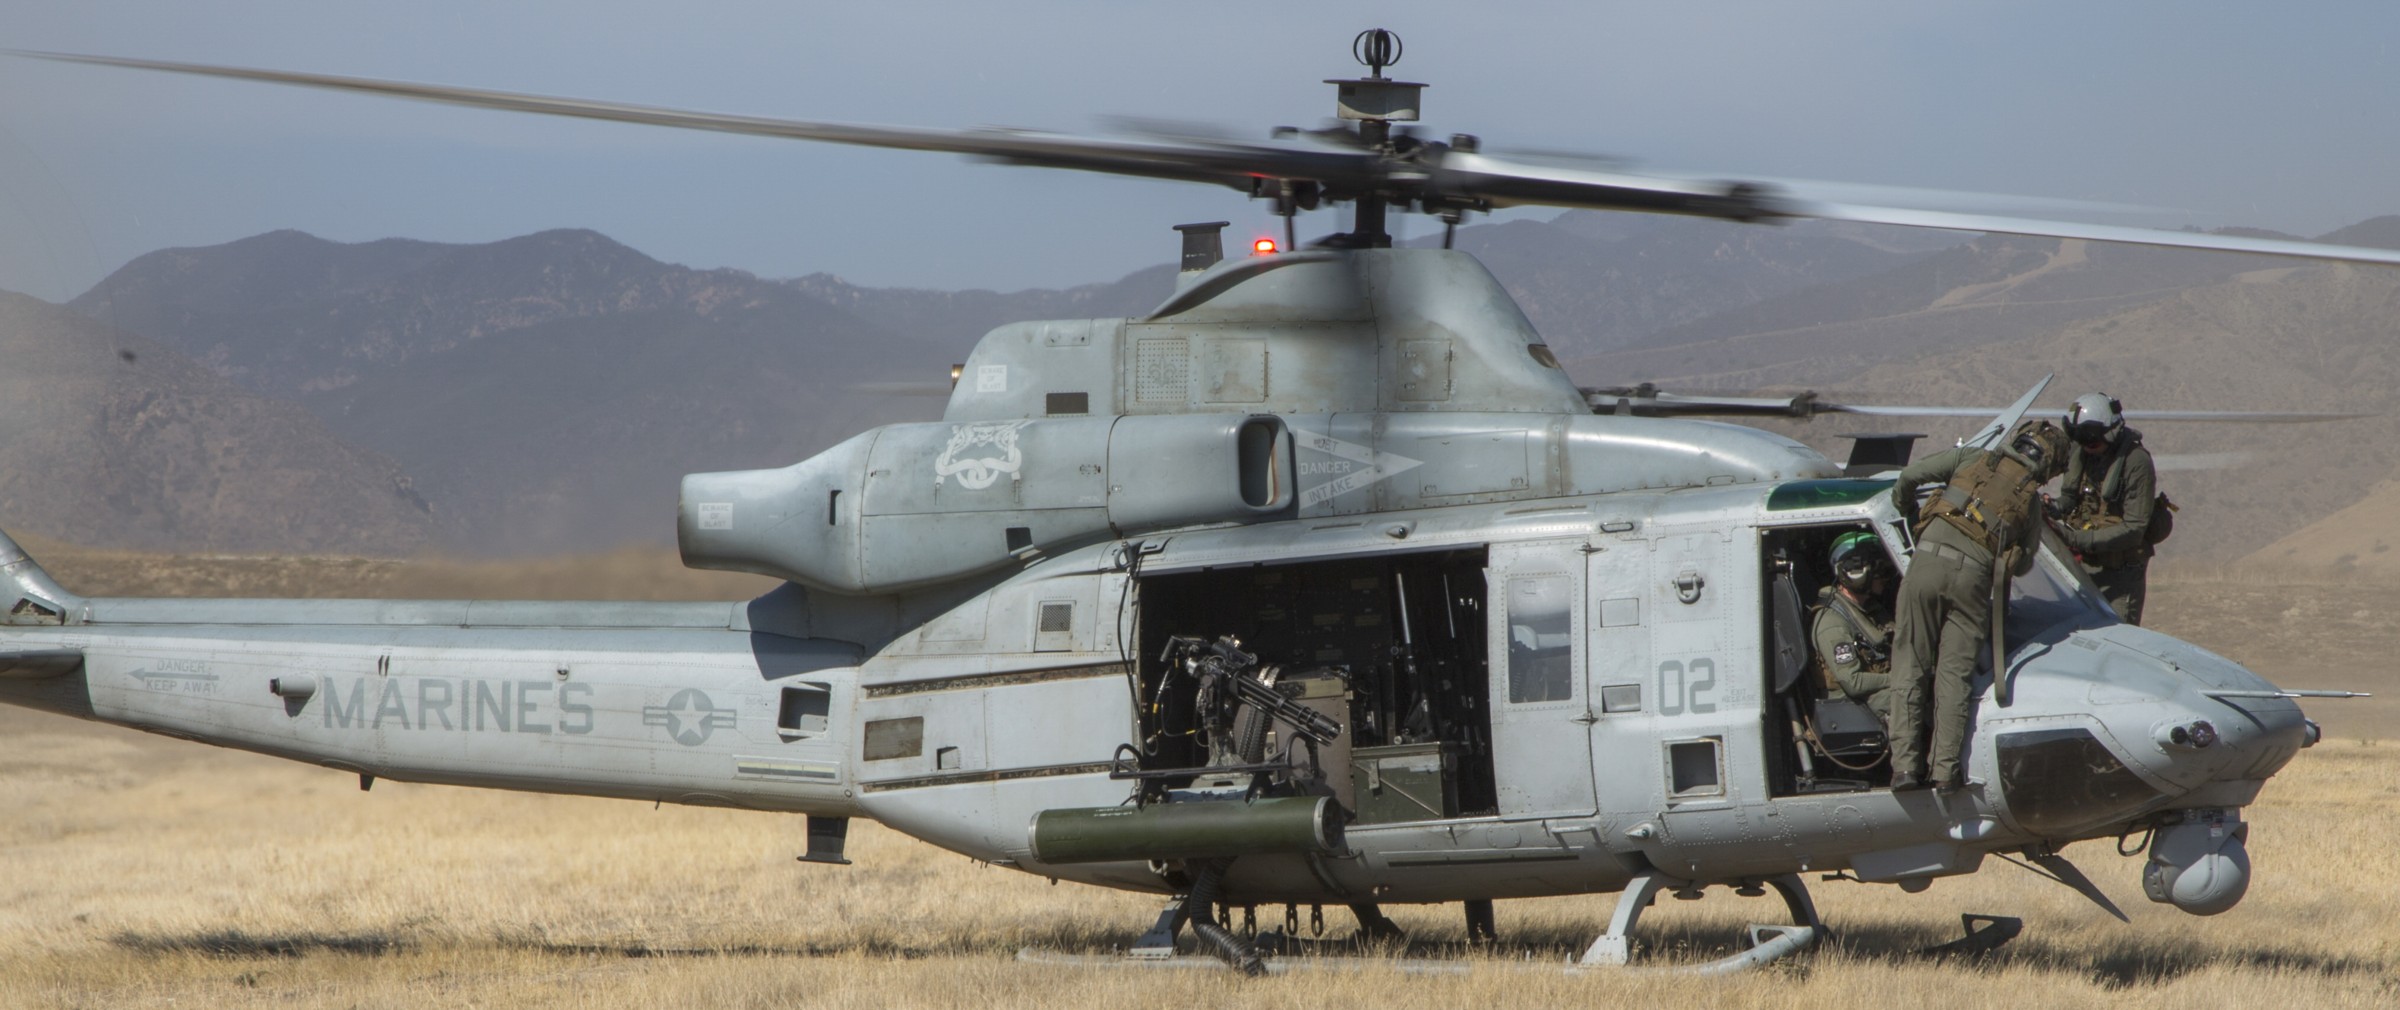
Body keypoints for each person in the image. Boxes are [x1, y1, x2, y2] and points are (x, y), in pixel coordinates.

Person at [1887, 419, 2070, 791]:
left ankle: (1905, 769)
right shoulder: (2029, 501)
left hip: (1926, 564)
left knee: (1910, 664)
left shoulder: (1972, 458)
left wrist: (1908, 514)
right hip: (1972, 583)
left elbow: (1909, 477)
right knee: (1954, 676)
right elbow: (2022, 564)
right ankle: (1945, 772)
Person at [2054, 393, 2159, 625]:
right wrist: (2050, 509)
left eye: (2091, 442)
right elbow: (2069, 499)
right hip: (2082, 569)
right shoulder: (2081, 453)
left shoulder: (2136, 462)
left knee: (2117, 633)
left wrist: (2076, 539)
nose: (2087, 449)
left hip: (2120, 574)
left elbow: (2134, 528)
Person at [1812, 530, 1897, 723]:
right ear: (1855, 572)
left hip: (1874, 695)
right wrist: (1899, 678)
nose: (1885, 578)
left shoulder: (1871, 611)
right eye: (1879, 571)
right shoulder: (1832, 621)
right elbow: (1853, 682)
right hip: (1854, 705)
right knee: (1909, 697)